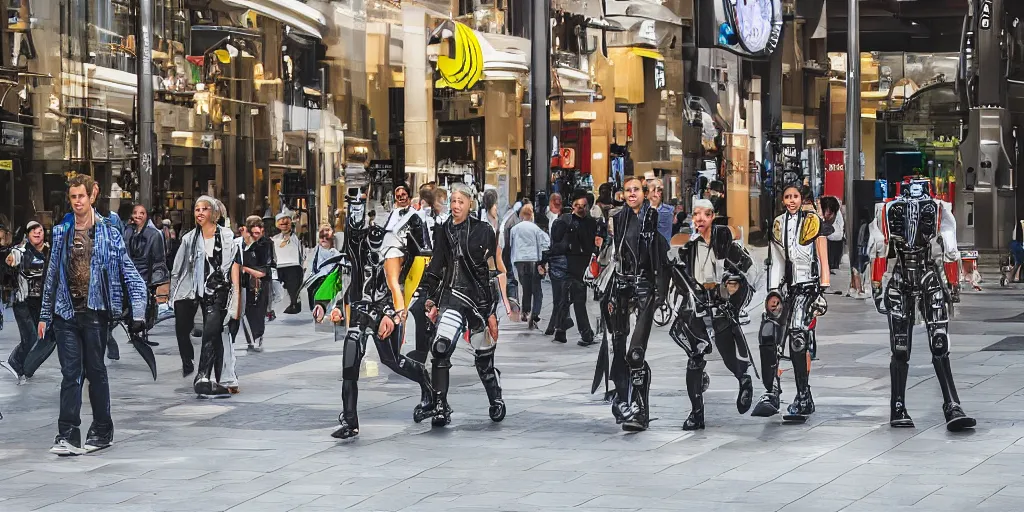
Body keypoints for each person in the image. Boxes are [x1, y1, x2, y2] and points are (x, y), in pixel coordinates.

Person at [38, 174, 148, 455]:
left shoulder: (109, 232)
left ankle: (102, 429)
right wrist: (44, 315)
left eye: (81, 196)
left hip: (96, 312)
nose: (77, 202)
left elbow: (130, 274)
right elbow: (51, 276)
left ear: (92, 196)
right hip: (65, 313)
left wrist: (138, 312)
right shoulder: (61, 232)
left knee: (96, 372)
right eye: (73, 197)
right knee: (70, 373)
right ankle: (67, 435)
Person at [314, 214, 434, 439]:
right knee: (349, 367)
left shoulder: (391, 251)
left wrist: (391, 314)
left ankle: (427, 386)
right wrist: (323, 303)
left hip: (382, 312)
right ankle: (350, 421)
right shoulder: (351, 253)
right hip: (359, 314)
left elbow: (395, 285)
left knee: (393, 360)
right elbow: (339, 279)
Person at [870, 180, 975, 431]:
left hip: (926, 277)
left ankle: (951, 404)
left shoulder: (937, 209)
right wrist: (876, 284)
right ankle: (899, 406)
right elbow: (880, 249)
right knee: (901, 348)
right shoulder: (890, 210)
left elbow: (949, 248)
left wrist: (952, 283)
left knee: (938, 343)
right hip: (903, 278)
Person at [416, 183, 510, 427]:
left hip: (479, 300)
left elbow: (493, 269)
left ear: (470, 204)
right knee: (440, 348)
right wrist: (429, 297)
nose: (456, 206)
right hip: (452, 297)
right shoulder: (443, 230)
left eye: (461, 201)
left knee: (483, 360)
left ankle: (495, 398)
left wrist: (491, 311)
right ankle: (440, 405)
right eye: (453, 201)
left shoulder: (484, 230)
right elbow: (436, 265)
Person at [669, 200, 756, 430]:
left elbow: (750, 270)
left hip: (721, 309)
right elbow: (679, 282)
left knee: (729, 356)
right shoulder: (687, 248)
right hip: (697, 309)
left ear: (712, 217)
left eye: (704, 215)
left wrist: (735, 296)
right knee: (694, 359)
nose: (699, 219)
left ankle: (744, 380)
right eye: (695, 214)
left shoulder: (726, 245)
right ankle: (697, 413)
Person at [752, 183, 830, 422]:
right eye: (787, 196)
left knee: (797, 336)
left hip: (808, 287)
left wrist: (822, 289)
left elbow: (821, 256)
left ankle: (803, 395)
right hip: (788, 287)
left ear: (801, 198)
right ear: (783, 200)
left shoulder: (813, 222)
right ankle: (772, 390)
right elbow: (776, 260)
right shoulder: (778, 224)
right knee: (770, 335)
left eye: (795, 196)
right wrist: (774, 290)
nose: (791, 200)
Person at [601, 176, 670, 431]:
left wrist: (660, 293)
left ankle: (640, 410)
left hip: (645, 286)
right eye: (628, 190)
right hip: (621, 285)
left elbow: (661, 253)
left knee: (635, 352)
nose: (632, 194)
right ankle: (623, 398)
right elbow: (615, 255)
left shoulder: (654, 217)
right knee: (617, 345)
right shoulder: (619, 219)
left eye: (636, 190)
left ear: (645, 192)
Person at [169, 195, 241, 395]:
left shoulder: (228, 238)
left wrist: (236, 304)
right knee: (210, 335)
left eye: (204, 209)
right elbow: (178, 269)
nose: (200, 213)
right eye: (197, 209)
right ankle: (219, 378)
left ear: (214, 213)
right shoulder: (189, 239)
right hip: (196, 293)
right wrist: (171, 296)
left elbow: (235, 271)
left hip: (220, 295)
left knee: (212, 333)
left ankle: (203, 377)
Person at [1, 221, 53, 384]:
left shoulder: (50, 251)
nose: (37, 234)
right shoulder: (20, 250)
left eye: (40, 231)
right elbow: (10, 262)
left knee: (48, 337)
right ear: (27, 234)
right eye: (33, 231)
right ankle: (16, 363)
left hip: (41, 301)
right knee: (30, 337)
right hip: (22, 300)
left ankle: (27, 366)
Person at [546, 191, 599, 346]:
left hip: (578, 265)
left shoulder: (589, 222)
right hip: (569, 264)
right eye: (578, 205)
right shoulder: (566, 220)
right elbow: (556, 238)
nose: (581, 208)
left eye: (583, 205)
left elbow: (590, 243)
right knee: (577, 300)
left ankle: (561, 330)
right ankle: (585, 334)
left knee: (568, 299)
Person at [123, 204, 170, 348]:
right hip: (130, 272)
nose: (138, 216)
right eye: (135, 213)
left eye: (141, 213)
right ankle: (134, 332)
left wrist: (156, 279)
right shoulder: (127, 231)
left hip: (145, 273)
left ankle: (142, 331)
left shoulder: (154, 234)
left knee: (145, 305)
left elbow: (158, 258)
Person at [229, 216, 274, 355]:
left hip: (261, 281)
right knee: (245, 311)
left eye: (259, 233)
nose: (257, 236)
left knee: (259, 312)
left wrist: (245, 268)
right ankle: (250, 340)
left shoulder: (267, 243)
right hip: (244, 282)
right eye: (254, 233)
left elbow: (265, 268)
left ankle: (258, 337)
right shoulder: (239, 243)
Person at [509, 204, 549, 329]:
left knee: (525, 287)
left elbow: (511, 244)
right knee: (536, 289)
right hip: (533, 260)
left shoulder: (515, 229)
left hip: (519, 260)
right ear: (531, 215)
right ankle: (535, 314)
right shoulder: (535, 228)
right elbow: (546, 242)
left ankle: (525, 312)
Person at [271, 213, 304, 314]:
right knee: (283, 288)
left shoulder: (295, 236)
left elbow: (299, 227)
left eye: (287, 223)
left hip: (293, 265)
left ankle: (294, 304)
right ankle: (289, 304)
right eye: (281, 223)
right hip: (280, 266)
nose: (284, 225)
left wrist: (294, 220)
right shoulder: (275, 238)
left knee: (293, 287)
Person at [303, 223, 340, 311]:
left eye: (327, 237)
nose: (324, 239)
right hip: (317, 289)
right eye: (321, 236)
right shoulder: (314, 252)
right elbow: (308, 269)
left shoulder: (335, 254)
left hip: (329, 289)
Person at [820, 196, 845, 274]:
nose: (827, 215)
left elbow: (838, 234)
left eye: (830, 213)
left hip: (834, 240)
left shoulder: (837, 219)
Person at [649, 179, 674, 244]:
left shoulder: (669, 210)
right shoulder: (642, 211)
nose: (655, 193)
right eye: (653, 189)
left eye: (659, 190)